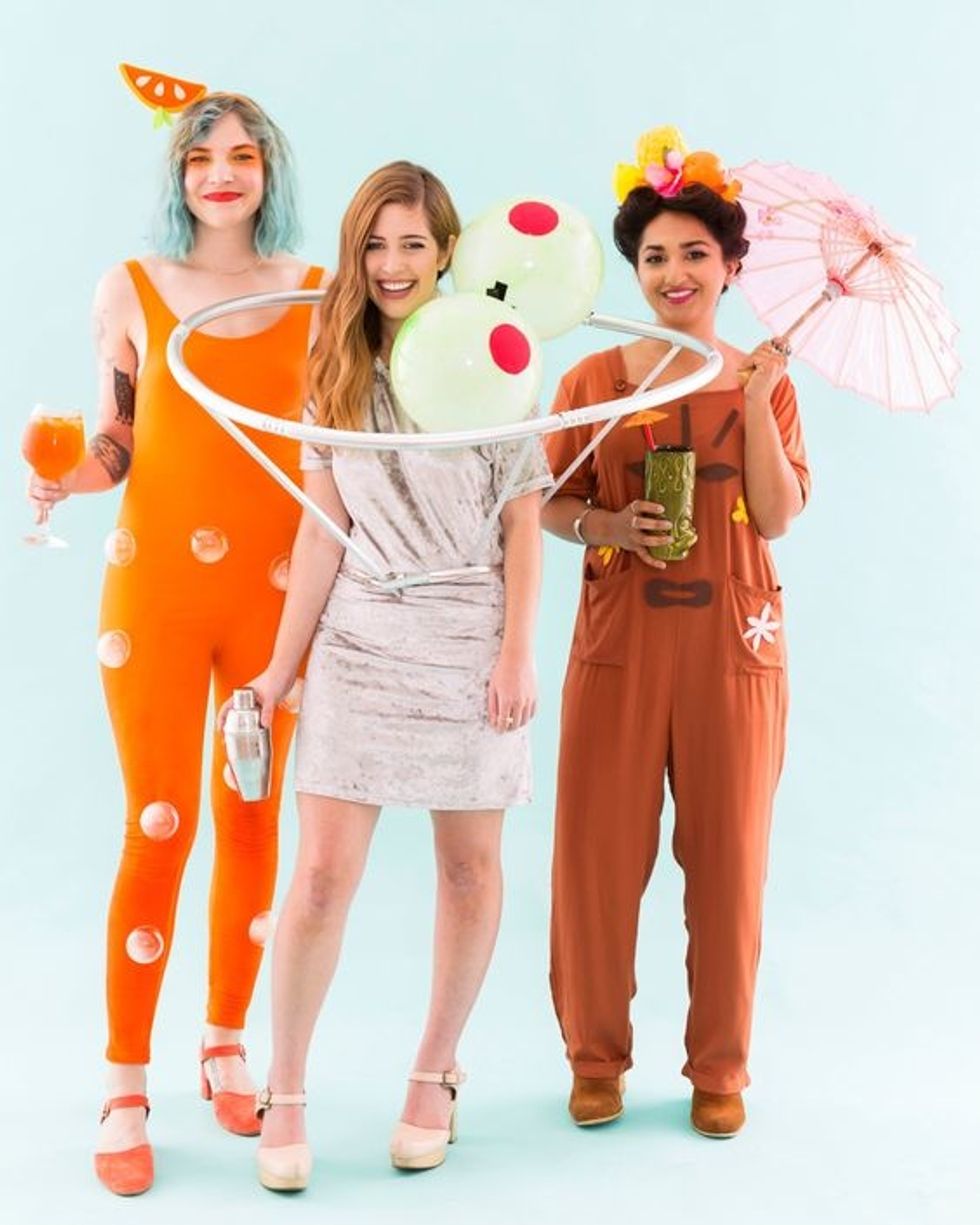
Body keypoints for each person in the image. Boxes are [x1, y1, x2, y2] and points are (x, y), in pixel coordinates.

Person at [26, 92, 326, 1196]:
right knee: (159, 824)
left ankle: (226, 1041)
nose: (222, 173)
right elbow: (120, 436)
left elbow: (334, 443)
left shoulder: (313, 291)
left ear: (268, 169)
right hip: (154, 591)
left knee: (253, 818)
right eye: (202, 158)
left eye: (243, 154)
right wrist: (68, 477)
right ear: (178, 176)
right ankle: (123, 1083)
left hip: (276, 601)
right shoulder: (132, 286)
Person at [230, 160, 550, 1191]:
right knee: (321, 877)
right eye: (374, 243)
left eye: (412, 242)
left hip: (469, 636)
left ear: (447, 251)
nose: (392, 263)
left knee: (468, 869)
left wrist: (516, 651)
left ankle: (434, 1071)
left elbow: (523, 521)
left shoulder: (496, 354)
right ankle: (285, 1087)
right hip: (361, 638)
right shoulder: (337, 362)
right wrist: (278, 672)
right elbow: (320, 534)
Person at [542, 130, 810, 1139]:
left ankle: (719, 1068)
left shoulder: (766, 379)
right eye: (654, 255)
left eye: (695, 252)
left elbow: (776, 516)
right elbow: (546, 502)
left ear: (730, 266)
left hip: (735, 651)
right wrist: (609, 526)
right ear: (635, 269)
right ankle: (594, 1058)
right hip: (618, 645)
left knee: (730, 866)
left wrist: (754, 400)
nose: (673, 272)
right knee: (595, 864)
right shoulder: (591, 382)